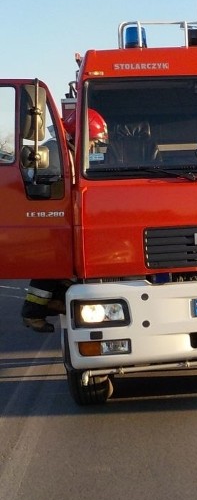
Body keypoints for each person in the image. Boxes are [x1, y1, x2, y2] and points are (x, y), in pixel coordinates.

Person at [21, 108, 108, 333]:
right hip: (50, 219)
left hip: (59, 219)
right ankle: (33, 313)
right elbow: (55, 189)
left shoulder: (65, 151)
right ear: (79, 136)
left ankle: (55, 303)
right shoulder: (55, 153)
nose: (92, 147)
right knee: (53, 265)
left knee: (66, 267)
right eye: (92, 141)